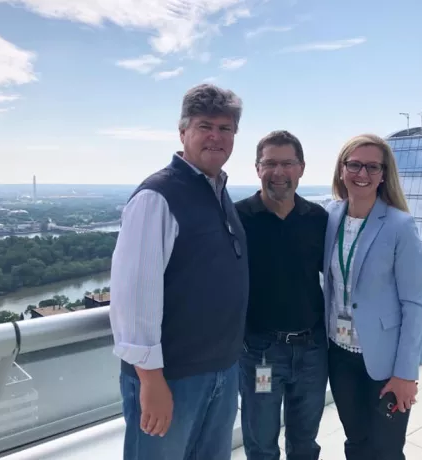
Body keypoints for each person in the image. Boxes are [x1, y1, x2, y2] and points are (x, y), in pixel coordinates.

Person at [109, 83, 249, 460]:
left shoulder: (217, 193)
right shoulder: (157, 196)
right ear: (183, 131)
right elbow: (133, 295)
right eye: (205, 126)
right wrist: (151, 380)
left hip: (221, 370)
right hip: (171, 378)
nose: (216, 137)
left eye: (226, 129)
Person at [324, 134, 422, 460]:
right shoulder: (330, 217)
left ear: (384, 174)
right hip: (340, 356)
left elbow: (414, 304)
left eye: (372, 166)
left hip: (386, 361)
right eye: (354, 164)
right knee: (356, 442)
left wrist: (406, 374)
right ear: (342, 170)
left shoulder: (400, 225)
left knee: (386, 449)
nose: (362, 174)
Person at [236, 130, 329, 460]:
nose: (279, 172)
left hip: (313, 349)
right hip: (260, 350)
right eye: (270, 163)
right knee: (261, 444)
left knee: (305, 443)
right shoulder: (237, 218)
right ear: (257, 168)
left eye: (287, 163)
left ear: (301, 168)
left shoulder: (318, 219)